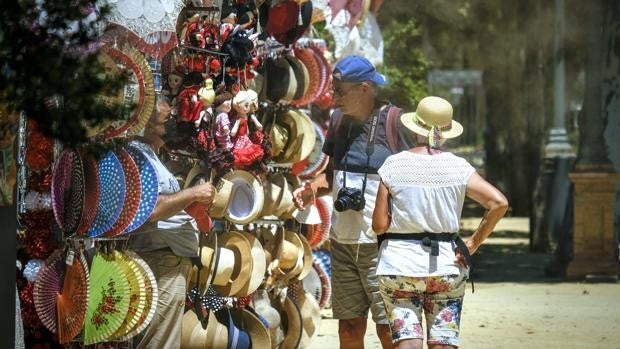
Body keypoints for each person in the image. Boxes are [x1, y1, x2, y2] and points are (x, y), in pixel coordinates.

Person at [293, 55, 413, 349]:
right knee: (348, 328)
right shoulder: (337, 122)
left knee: (389, 329)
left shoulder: (395, 121)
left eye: (339, 91)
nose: (334, 99)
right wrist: (311, 189)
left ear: (364, 88)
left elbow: (412, 183)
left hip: (382, 247)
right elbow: (332, 177)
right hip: (343, 244)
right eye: (333, 91)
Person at [371, 96, 509, 349]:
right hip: (446, 264)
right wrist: (473, 243)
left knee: (407, 343)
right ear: (445, 133)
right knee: (443, 342)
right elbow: (498, 203)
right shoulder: (459, 167)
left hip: (398, 265)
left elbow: (379, 225)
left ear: (415, 129)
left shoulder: (392, 165)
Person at [128, 100, 215, 349]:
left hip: (167, 261)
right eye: (165, 114)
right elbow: (152, 209)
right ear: (145, 122)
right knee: (159, 343)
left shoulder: (149, 155)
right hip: (160, 263)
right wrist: (193, 194)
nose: (172, 113)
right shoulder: (137, 154)